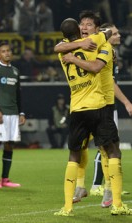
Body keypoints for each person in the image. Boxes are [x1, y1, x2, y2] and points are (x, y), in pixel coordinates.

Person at [54, 18, 132, 216]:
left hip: (76, 109)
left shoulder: (64, 51)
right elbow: (97, 64)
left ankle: (67, 207)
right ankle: (116, 203)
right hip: (98, 105)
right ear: (80, 33)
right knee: (112, 150)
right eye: (82, 26)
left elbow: (58, 46)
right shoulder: (98, 42)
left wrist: (75, 50)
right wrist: (89, 41)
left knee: (74, 155)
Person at [0, 41, 26, 189]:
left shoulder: (15, 71)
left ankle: (5, 179)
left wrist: (21, 112)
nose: (7, 53)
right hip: (0, 114)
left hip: (13, 114)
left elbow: (18, 94)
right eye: (3, 51)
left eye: (8, 51)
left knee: (9, 145)